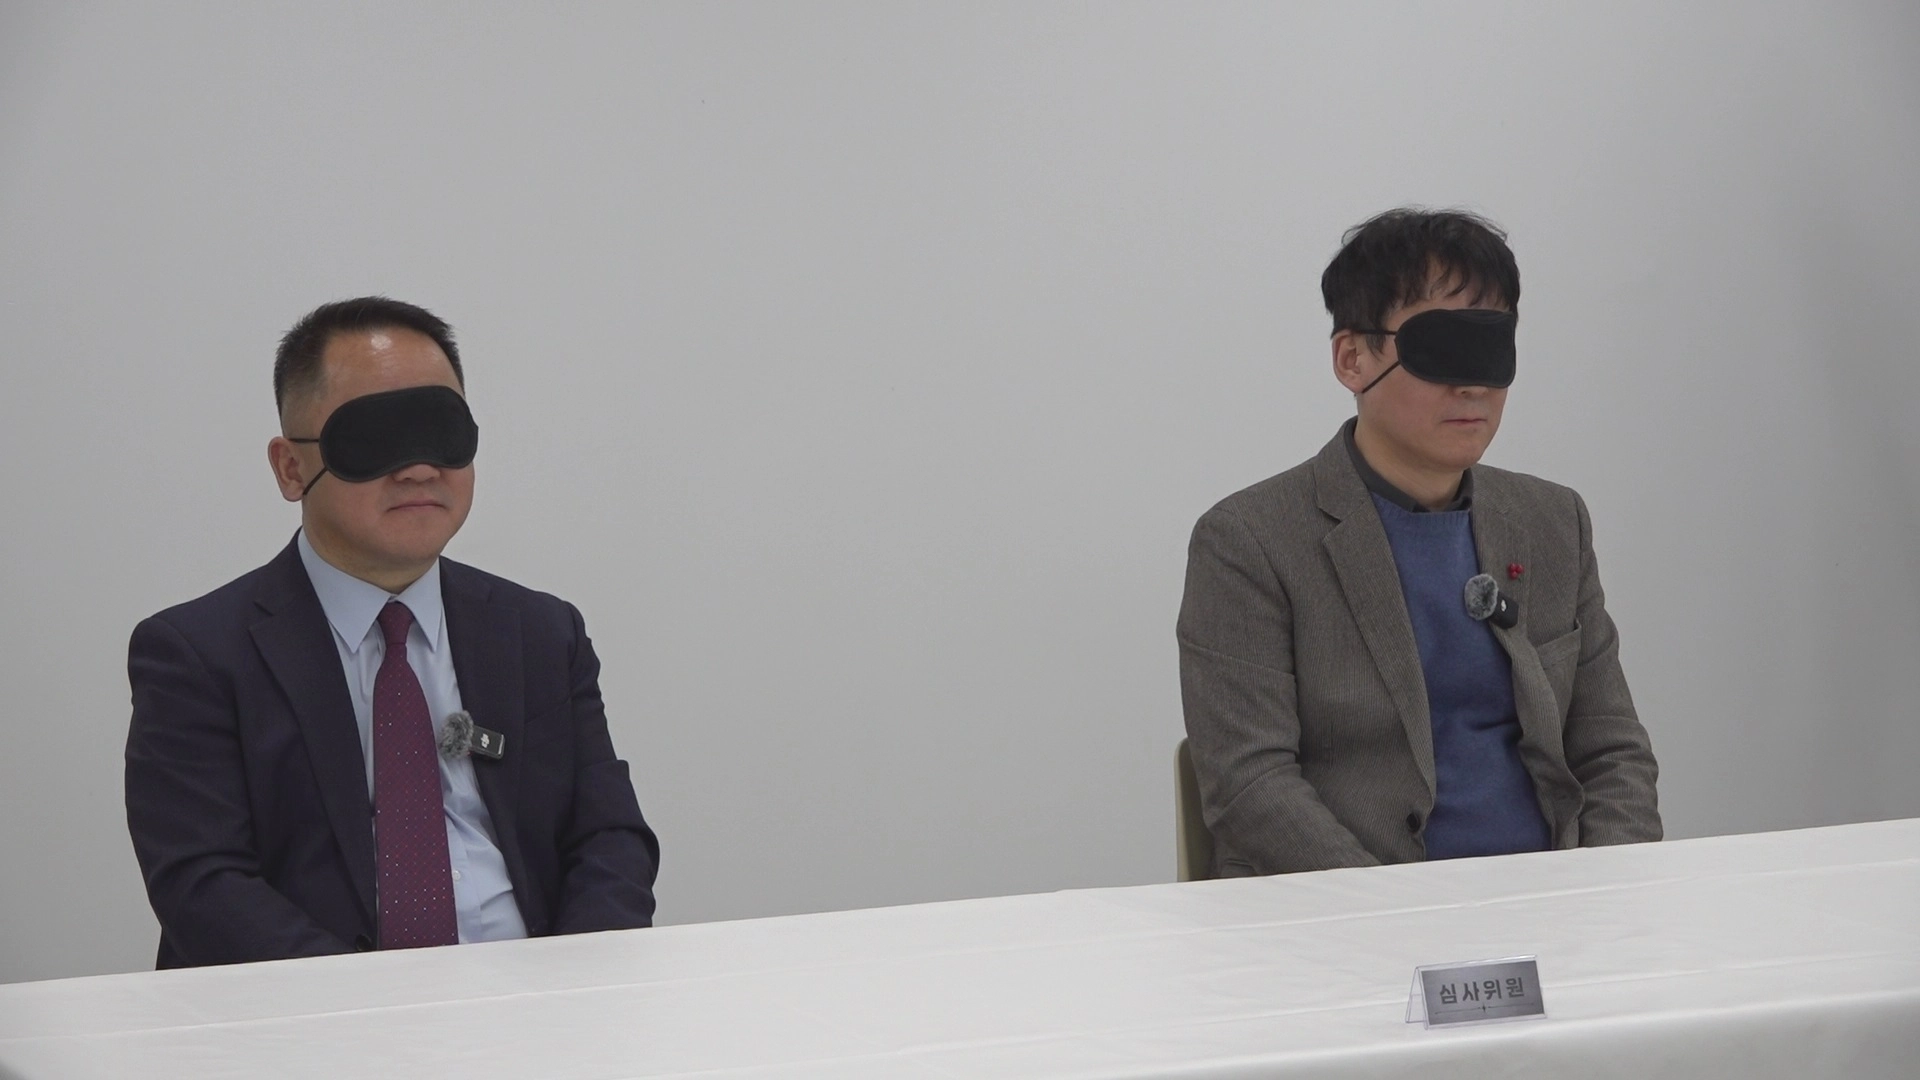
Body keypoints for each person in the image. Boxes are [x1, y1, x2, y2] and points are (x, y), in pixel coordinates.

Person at [125, 297, 659, 967]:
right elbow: (204, 887)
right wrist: (377, 1009)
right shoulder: (197, 656)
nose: (419, 468)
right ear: (291, 468)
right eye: (375, 436)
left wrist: (573, 987)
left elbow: (609, 839)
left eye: (441, 430)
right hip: (315, 1012)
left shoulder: (542, 634)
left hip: (534, 1001)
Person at [1177, 208, 1660, 876]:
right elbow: (1250, 786)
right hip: (1347, 914)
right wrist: (1396, 915)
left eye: (1489, 347)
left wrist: (1609, 888)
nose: (1472, 385)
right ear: (1353, 359)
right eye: (1441, 346)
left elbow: (1612, 750)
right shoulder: (1250, 543)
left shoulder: (1553, 522)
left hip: (1548, 905)